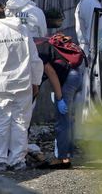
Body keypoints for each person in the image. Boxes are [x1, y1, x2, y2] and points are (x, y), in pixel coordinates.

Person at [0, 0, 43, 171]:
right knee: (20, 123)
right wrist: (36, 82)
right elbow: (35, 60)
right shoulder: (23, 31)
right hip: (22, 84)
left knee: (0, 123)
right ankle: (18, 160)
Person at [35, 34, 83, 169]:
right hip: (76, 74)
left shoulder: (38, 51)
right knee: (68, 119)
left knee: (62, 119)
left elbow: (51, 73)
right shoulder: (41, 44)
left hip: (68, 79)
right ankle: (67, 153)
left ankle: (63, 158)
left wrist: (60, 98)